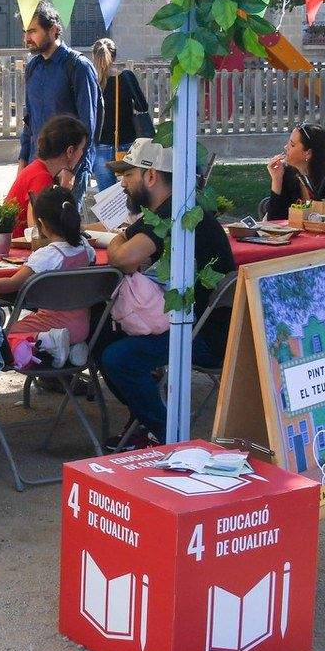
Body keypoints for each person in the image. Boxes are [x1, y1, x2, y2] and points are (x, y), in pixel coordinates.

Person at [99, 141, 236, 445]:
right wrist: (124, 239)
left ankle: (165, 433)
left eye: (128, 174)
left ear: (150, 177)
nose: (123, 183)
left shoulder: (171, 215)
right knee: (102, 337)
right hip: (194, 322)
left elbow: (123, 258)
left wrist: (119, 238)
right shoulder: (178, 208)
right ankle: (145, 418)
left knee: (117, 358)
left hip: (203, 333)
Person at [0, 187, 96, 370]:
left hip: (50, 324)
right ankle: (73, 349)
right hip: (82, 327)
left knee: (2, 338)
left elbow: (13, 283)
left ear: (41, 223)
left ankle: (47, 340)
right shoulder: (85, 247)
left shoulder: (48, 255)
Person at [19, 3, 99, 189]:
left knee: (64, 218)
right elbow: (29, 120)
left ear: (53, 30)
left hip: (68, 169)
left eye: (32, 31)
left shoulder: (78, 66)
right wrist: (23, 160)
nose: (26, 38)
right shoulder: (33, 67)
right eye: (25, 32)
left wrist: (71, 170)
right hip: (36, 165)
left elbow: (88, 125)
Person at [5, 114, 89, 237]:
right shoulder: (41, 177)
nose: (82, 153)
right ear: (70, 151)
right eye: (81, 148)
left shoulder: (39, 169)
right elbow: (37, 230)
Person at [89, 39, 151, 192]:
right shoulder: (125, 77)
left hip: (100, 145)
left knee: (109, 198)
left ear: (93, 57)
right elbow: (142, 106)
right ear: (115, 57)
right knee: (132, 193)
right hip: (127, 143)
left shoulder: (90, 82)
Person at [265, 123, 325, 219]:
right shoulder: (286, 174)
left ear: (308, 153)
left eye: (292, 144)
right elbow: (274, 220)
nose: (286, 147)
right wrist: (276, 180)